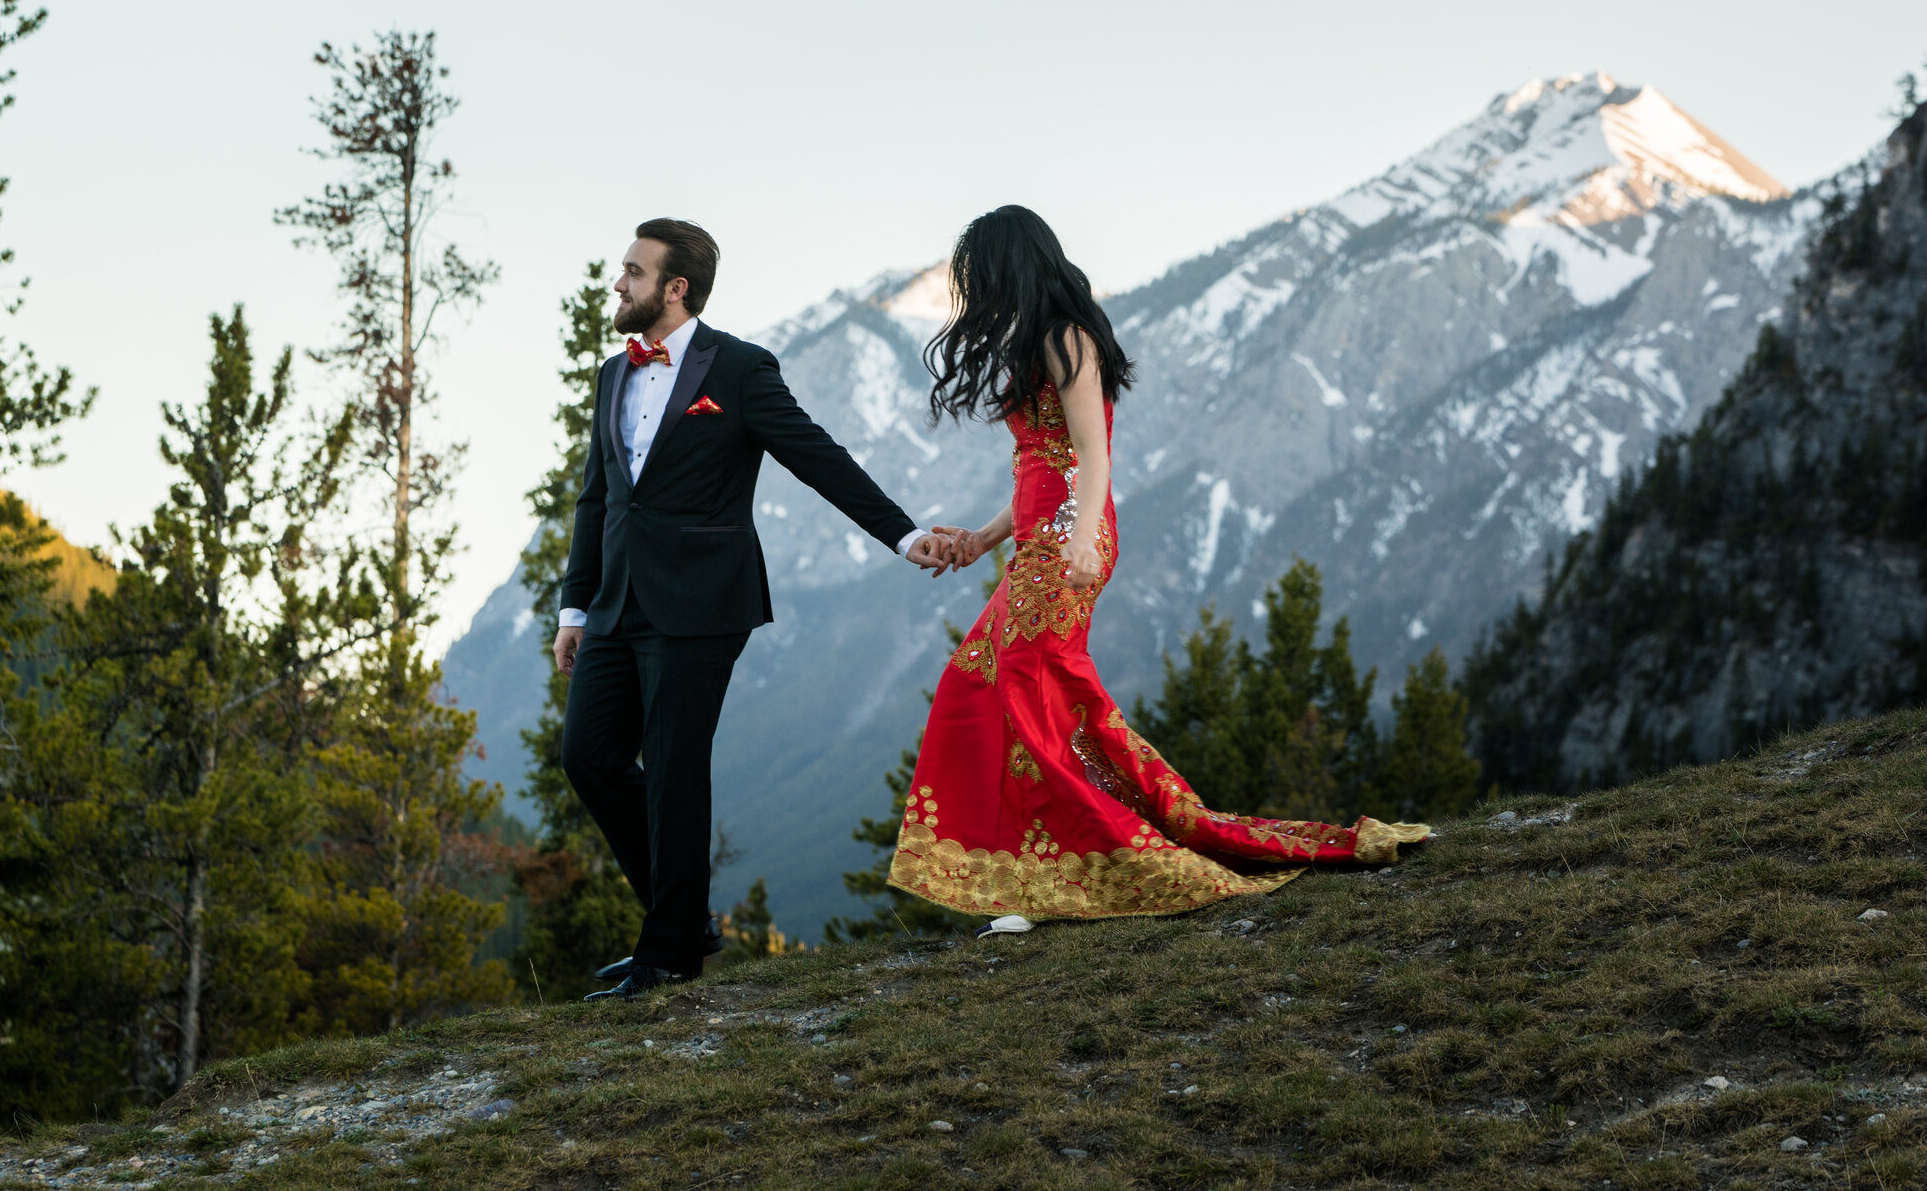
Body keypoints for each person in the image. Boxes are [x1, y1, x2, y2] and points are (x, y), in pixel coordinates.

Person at [891, 205, 1428, 925]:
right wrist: (987, 537)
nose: (976, 290)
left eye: (980, 274)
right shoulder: (1039, 341)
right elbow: (1039, 463)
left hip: (1068, 540)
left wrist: (1081, 538)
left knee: (1020, 685)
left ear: (1009, 267)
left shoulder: (1065, 337)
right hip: (1045, 536)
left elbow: (1092, 454)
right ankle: (1052, 866)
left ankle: (1061, 872)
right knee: (1012, 686)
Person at [558, 218, 951, 999]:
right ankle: (686, 918)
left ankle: (669, 952)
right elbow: (598, 495)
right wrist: (574, 608)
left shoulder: (736, 368)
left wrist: (902, 535)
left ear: (676, 287)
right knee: (587, 755)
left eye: (632, 272)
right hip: (615, 603)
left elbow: (815, 455)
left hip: (703, 601)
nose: (617, 283)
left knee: (674, 767)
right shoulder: (613, 373)